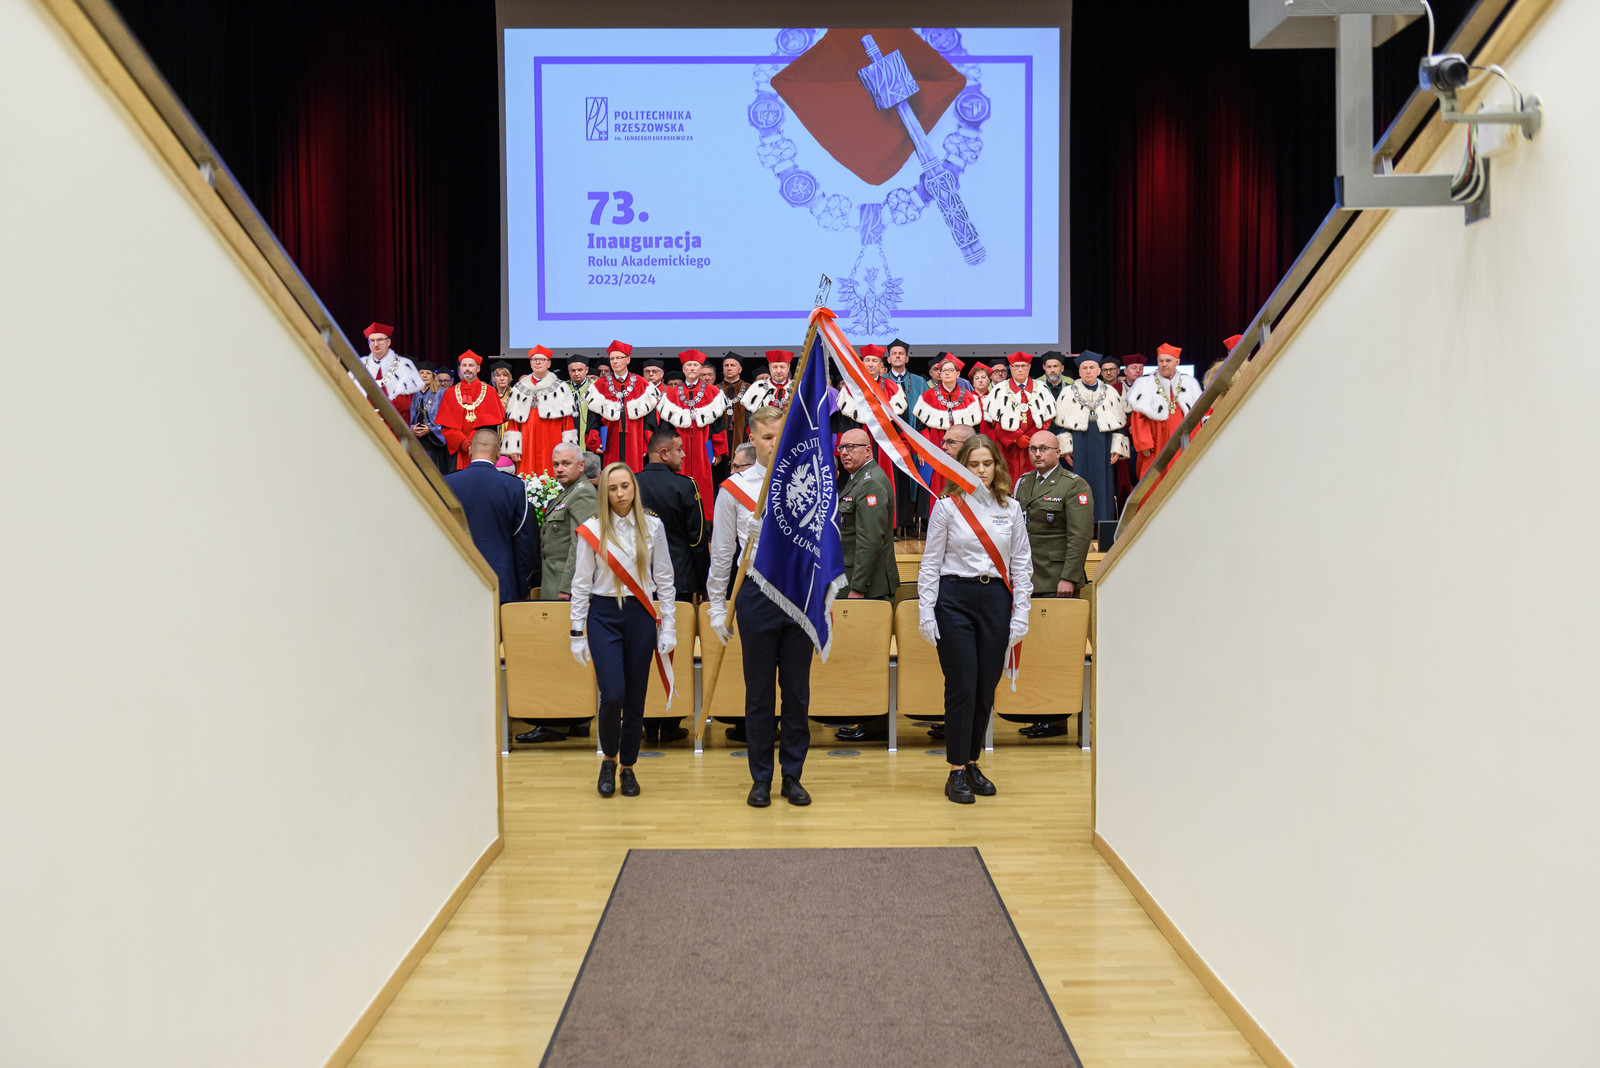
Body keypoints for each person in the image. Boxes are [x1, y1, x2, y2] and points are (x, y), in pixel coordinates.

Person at [706, 406, 813, 808]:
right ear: (753, 439)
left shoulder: (807, 481)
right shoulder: (734, 489)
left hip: (797, 592)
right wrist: (717, 607)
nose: (775, 443)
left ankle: (793, 775)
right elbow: (721, 555)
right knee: (759, 694)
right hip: (755, 593)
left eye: (780, 436)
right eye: (768, 437)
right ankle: (761, 777)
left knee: (797, 693)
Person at [917, 435, 1031, 803]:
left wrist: (1022, 613)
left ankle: (971, 761)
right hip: (954, 599)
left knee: (985, 687)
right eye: (973, 464)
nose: (981, 470)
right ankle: (955, 770)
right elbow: (930, 563)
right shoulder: (947, 507)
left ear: (997, 465)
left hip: (995, 599)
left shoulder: (1011, 508)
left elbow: (1021, 564)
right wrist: (926, 610)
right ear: (961, 467)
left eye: (987, 463)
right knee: (962, 685)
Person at [568, 462, 677, 798]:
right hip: (603, 615)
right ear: (604, 492)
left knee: (635, 697)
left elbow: (665, 579)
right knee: (612, 693)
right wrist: (576, 631)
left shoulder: (653, 526)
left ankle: (628, 766)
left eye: (625, 486)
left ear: (634, 488)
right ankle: (608, 760)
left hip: (640, 614)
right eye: (612, 488)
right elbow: (581, 583)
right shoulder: (592, 529)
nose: (620, 494)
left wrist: (669, 626)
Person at [1011, 430, 1094, 738]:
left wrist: (1069, 577)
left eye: (1044, 448)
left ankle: (1056, 717)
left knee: (1057, 651)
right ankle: (1039, 711)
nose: (1037, 453)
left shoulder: (1073, 485)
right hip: (1029, 578)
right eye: (1033, 448)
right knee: (1035, 650)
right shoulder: (1024, 483)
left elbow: (1080, 536)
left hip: (1057, 580)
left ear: (1058, 452)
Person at [635, 426, 707, 745]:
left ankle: (647, 721)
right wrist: (703, 583)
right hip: (678, 582)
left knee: (640, 652)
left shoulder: (630, 483)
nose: (683, 453)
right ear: (663, 453)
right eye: (679, 449)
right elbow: (697, 539)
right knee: (674, 648)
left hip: (637, 581)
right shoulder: (684, 485)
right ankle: (671, 718)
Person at [831, 428, 899, 744]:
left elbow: (870, 542)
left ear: (868, 450)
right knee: (858, 654)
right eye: (841, 447)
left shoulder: (870, 483)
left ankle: (873, 724)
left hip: (867, 587)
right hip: (856, 581)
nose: (844, 452)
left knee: (869, 656)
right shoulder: (858, 479)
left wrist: (857, 588)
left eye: (851, 447)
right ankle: (864, 717)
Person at [443, 426, 539, 605]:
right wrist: (523, 587)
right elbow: (523, 539)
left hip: (456, 575)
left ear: (470, 450)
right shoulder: (514, 487)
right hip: (501, 578)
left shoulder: (447, 483)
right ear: (498, 453)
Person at [1055, 351, 1128, 528]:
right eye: (1084, 368)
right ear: (1079, 372)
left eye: (1092, 368)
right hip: (1078, 445)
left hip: (1104, 444)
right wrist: (1066, 449)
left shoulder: (1110, 392)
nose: (1088, 371)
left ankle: (1103, 525)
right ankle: (1079, 525)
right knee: (1078, 484)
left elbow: (1120, 424)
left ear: (1099, 371)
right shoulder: (1067, 392)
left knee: (1104, 486)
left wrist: (1117, 448)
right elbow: (1060, 426)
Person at [654, 349, 729, 519]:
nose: (692, 368)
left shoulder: (713, 392)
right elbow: (665, 427)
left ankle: (706, 522)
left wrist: (718, 451)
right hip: (678, 447)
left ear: (701, 368)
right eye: (689, 365)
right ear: (683, 368)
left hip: (704, 445)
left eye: (696, 365)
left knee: (704, 483)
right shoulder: (671, 394)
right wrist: (666, 450)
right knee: (678, 481)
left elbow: (718, 425)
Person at [1126, 343, 1201, 479]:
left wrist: (1195, 440)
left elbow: (1196, 416)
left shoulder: (1189, 383)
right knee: (1152, 478)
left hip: (1181, 440)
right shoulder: (1145, 383)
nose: (1164, 364)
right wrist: (1144, 442)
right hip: (1155, 441)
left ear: (1177, 362)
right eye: (1161, 361)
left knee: (1180, 474)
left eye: (1168, 361)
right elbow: (1138, 416)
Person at [912, 353, 983, 495]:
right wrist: (922, 449)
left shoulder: (969, 397)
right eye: (944, 370)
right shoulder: (927, 396)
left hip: (962, 448)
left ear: (958, 374)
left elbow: (975, 430)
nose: (947, 373)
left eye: (951, 370)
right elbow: (920, 427)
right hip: (934, 446)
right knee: (935, 484)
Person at [504, 346, 579, 478]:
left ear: (549, 363)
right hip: (527, 442)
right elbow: (513, 421)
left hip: (552, 440)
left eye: (542, 360)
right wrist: (513, 447)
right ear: (530, 363)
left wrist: (568, 448)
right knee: (527, 477)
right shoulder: (519, 388)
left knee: (552, 475)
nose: (538, 362)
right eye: (534, 359)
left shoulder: (560, 387)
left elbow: (568, 422)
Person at [585, 341, 659, 470]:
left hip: (635, 441)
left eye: (619, 358)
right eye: (612, 358)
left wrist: (646, 443)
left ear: (628, 360)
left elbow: (649, 419)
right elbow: (594, 418)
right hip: (609, 440)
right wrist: (594, 441)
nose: (615, 361)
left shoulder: (642, 384)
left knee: (633, 475)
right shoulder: (600, 385)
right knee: (611, 474)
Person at [986, 352, 1056, 484]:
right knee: (1008, 480)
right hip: (1008, 447)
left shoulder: (1041, 388)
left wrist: (1030, 438)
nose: (1020, 369)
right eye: (1016, 366)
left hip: (1036, 447)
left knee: (1035, 480)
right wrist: (1016, 438)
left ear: (1029, 367)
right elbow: (995, 422)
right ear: (1010, 368)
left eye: (1023, 366)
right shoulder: (999, 390)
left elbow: (1046, 419)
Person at [882, 338, 929, 537]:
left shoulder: (919, 382)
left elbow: (926, 416)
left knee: (914, 480)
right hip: (889, 441)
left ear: (907, 358)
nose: (898, 356)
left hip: (915, 440)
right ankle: (895, 522)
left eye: (901, 353)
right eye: (894, 354)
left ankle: (911, 522)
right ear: (888, 359)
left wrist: (921, 446)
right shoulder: (881, 382)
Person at [435, 351, 507, 470]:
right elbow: (446, 426)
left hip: (483, 448)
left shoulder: (490, 391)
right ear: (460, 368)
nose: (467, 369)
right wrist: (462, 441)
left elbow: (490, 424)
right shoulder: (450, 393)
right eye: (464, 365)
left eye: (471, 365)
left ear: (478, 368)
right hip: (457, 449)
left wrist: (473, 441)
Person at [359, 322, 425, 423]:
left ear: (388, 342)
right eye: (372, 340)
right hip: (363, 422)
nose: (376, 344)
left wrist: (377, 415)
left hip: (393, 423)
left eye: (380, 340)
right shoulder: (360, 365)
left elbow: (404, 402)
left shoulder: (404, 365)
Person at [409, 361, 452, 475]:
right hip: (415, 437)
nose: (424, 375)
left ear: (433, 376)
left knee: (433, 470)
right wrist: (411, 428)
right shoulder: (411, 393)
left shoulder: (440, 393)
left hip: (433, 439)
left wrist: (431, 429)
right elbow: (405, 415)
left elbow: (446, 417)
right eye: (421, 373)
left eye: (428, 373)